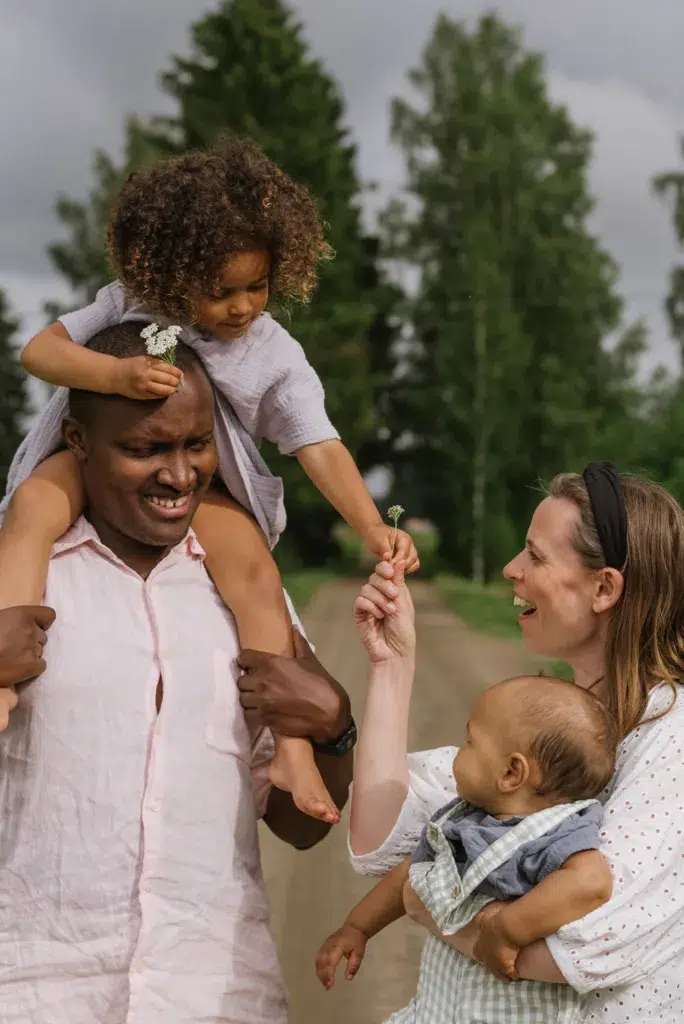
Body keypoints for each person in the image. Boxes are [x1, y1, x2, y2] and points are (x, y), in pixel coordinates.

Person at [0, 134, 418, 823]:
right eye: (221, 289)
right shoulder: (127, 301)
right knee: (33, 511)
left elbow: (317, 444)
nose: (242, 306)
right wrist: (117, 376)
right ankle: (9, 670)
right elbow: (40, 350)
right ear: (169, 270)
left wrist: (372, 528)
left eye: (257, 286)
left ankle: (289, 746)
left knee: (255, 575)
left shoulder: (271, 353)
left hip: (209, 486)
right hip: (91, 457)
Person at [0, 323, 353, 1023]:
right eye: (144, 449)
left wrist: (336, 730)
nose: (179, 474)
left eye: (196, 446)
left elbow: (303, 828)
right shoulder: (19, 583)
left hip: (215, 993)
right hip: (33, 987)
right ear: (76, 442)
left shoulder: (246, 591)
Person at [347, 463, 684, 1022]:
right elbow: (381, 839)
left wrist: (428, 903)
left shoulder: (669, 737)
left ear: (605, 588)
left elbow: (586, 949)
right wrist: (392, 664)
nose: (511, 569)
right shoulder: (554, 718)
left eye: (536, 556)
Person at [316, 673, 616, 1022]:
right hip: (438, 1010)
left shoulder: (552, 833)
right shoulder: (464, 820)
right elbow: (411, 874)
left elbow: (591, 883)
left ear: (511, 773)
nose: (459, 752)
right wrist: (358, 927)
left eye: (469, 742)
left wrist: (508, 928)